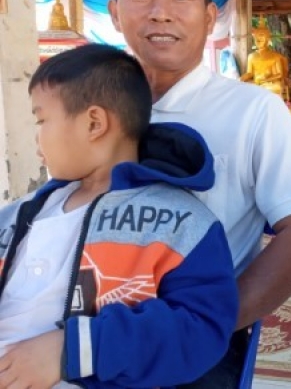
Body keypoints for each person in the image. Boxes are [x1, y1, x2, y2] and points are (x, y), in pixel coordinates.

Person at [107, 0, 291, 386]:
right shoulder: (92, 110)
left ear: (210, 17)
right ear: (114, 12)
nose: (160, 13)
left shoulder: (253, 111)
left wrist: (209, 323)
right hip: (95, 331)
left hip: (199, 346)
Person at [0, 44, 237, 388]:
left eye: (41, 120)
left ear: (94, 123)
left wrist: (75, 349)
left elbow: (200, 329)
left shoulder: (180, 224)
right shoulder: (20, 213)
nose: (36, 139)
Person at [240, 17, 290, 99]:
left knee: (278, 86)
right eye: (256, 37)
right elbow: (250, 73)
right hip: (256, 82)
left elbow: (280, 74)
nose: (258, 40)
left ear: (268, 39)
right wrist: (241, 78)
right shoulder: (251, 56)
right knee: (242, 87)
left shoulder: (275, 56)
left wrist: (266, 80)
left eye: (261, 36)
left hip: (269, 83)